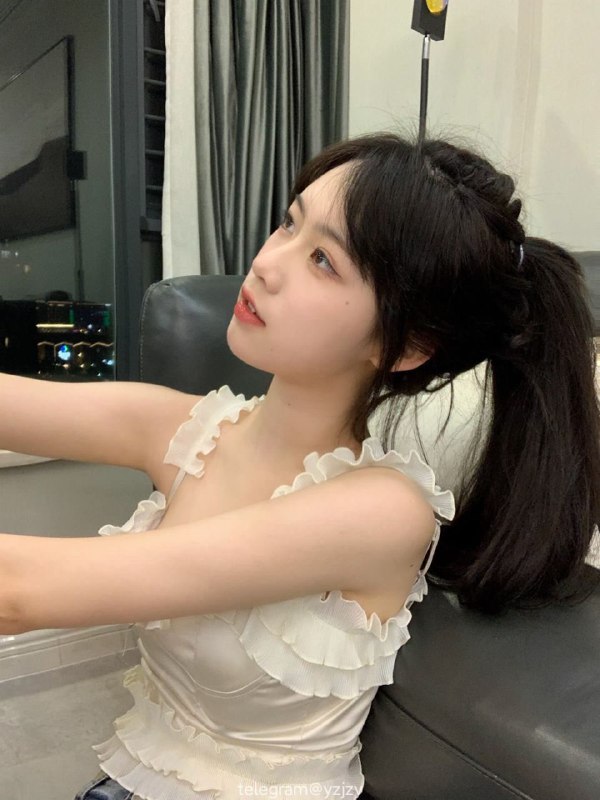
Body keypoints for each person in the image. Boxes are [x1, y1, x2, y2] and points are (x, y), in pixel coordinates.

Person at [1, 132, 599, 800]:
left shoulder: (382, 511)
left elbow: (20, 592)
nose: (265, 264)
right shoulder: (188, 431)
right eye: (290, 222)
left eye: (323, 260)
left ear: (406, 346)